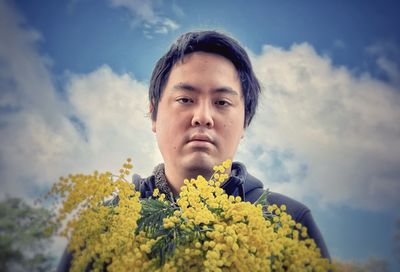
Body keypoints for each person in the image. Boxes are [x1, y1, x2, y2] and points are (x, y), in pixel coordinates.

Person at [57, 30, 330, 271]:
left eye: (222, 102)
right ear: (153, 114)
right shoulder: (104, 227)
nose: (203, 117)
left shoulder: (289, 223)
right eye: (185, 99)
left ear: (245, 121)